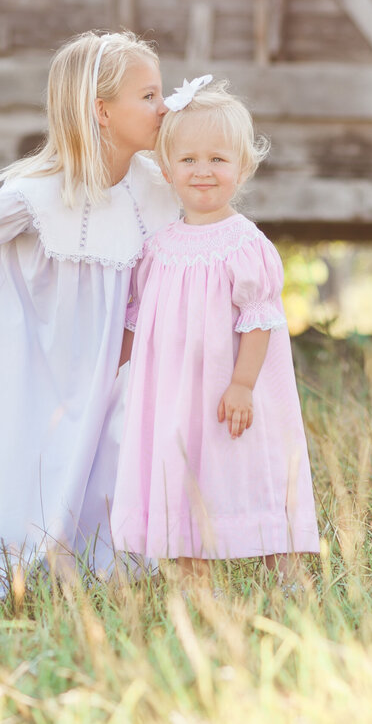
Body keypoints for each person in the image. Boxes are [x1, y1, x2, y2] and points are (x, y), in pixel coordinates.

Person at [0, 31, 179, 593]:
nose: (166, 107)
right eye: (149, 96)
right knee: (25, 450)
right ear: (102, 112)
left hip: (119, 359)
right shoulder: (38, 197)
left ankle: (106, 563)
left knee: (117, 441)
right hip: (39, 360)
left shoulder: (155, 190)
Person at [110, 76, 319, 587]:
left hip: (233, 390)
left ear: (242, 167)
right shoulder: (158, 248)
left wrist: (244, 383)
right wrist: (112, 363)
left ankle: (287, 571)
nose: (203, 171)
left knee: (251, 469)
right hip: (177, 394)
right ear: (166, 170)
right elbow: (141, 318)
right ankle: (191, 574)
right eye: (189, 160)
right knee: (183, 471)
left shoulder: (243, 244)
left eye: (218, 160)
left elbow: (259, 319)